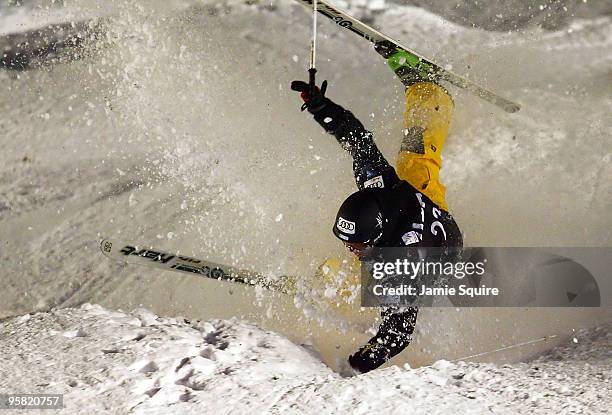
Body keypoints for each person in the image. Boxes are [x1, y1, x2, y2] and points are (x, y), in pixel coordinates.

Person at [291, 41, 463, 374]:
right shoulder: (379, 183)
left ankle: (324, 291)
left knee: (360, 282)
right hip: (420, 204)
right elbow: (355, 137)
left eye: (355, 244)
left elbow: (398, 335)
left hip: (441, 251)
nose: (349, 248)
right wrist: (320, 106)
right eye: (348, 242)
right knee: (415, 160)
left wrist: (355, 367)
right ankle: (428, 91)